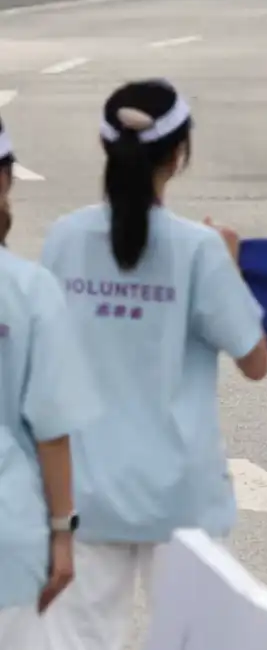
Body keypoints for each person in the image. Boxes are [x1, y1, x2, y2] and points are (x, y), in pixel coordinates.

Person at [38, 79, 267, 650]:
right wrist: (231, 271)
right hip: (183, 501)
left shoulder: (64, 240)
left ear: (104, 148)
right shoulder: (201, 250)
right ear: (179, 155)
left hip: (86, 497)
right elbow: (255, 360)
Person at [0, 116, 101, 649]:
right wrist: (63, 533)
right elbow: (52, 429)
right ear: (5, 179)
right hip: (9, 541)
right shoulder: (30, 289)